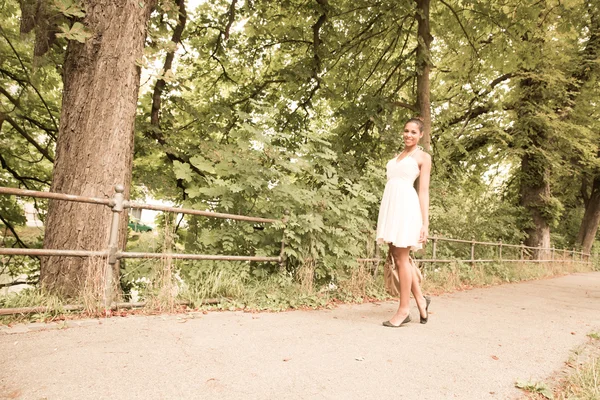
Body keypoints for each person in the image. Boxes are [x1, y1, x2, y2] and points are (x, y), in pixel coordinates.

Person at [376, 118, 432, 327]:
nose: (409, 135)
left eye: (413, 132)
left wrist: (424, 223)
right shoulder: (397, 157)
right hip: (391, 207)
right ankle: (420, 300)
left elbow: (423, 191)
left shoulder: (423, 157)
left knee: (402, 258)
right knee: (399, 257)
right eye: (406, 131)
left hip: (407, 209)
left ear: (421, 135)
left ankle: (404, 310)